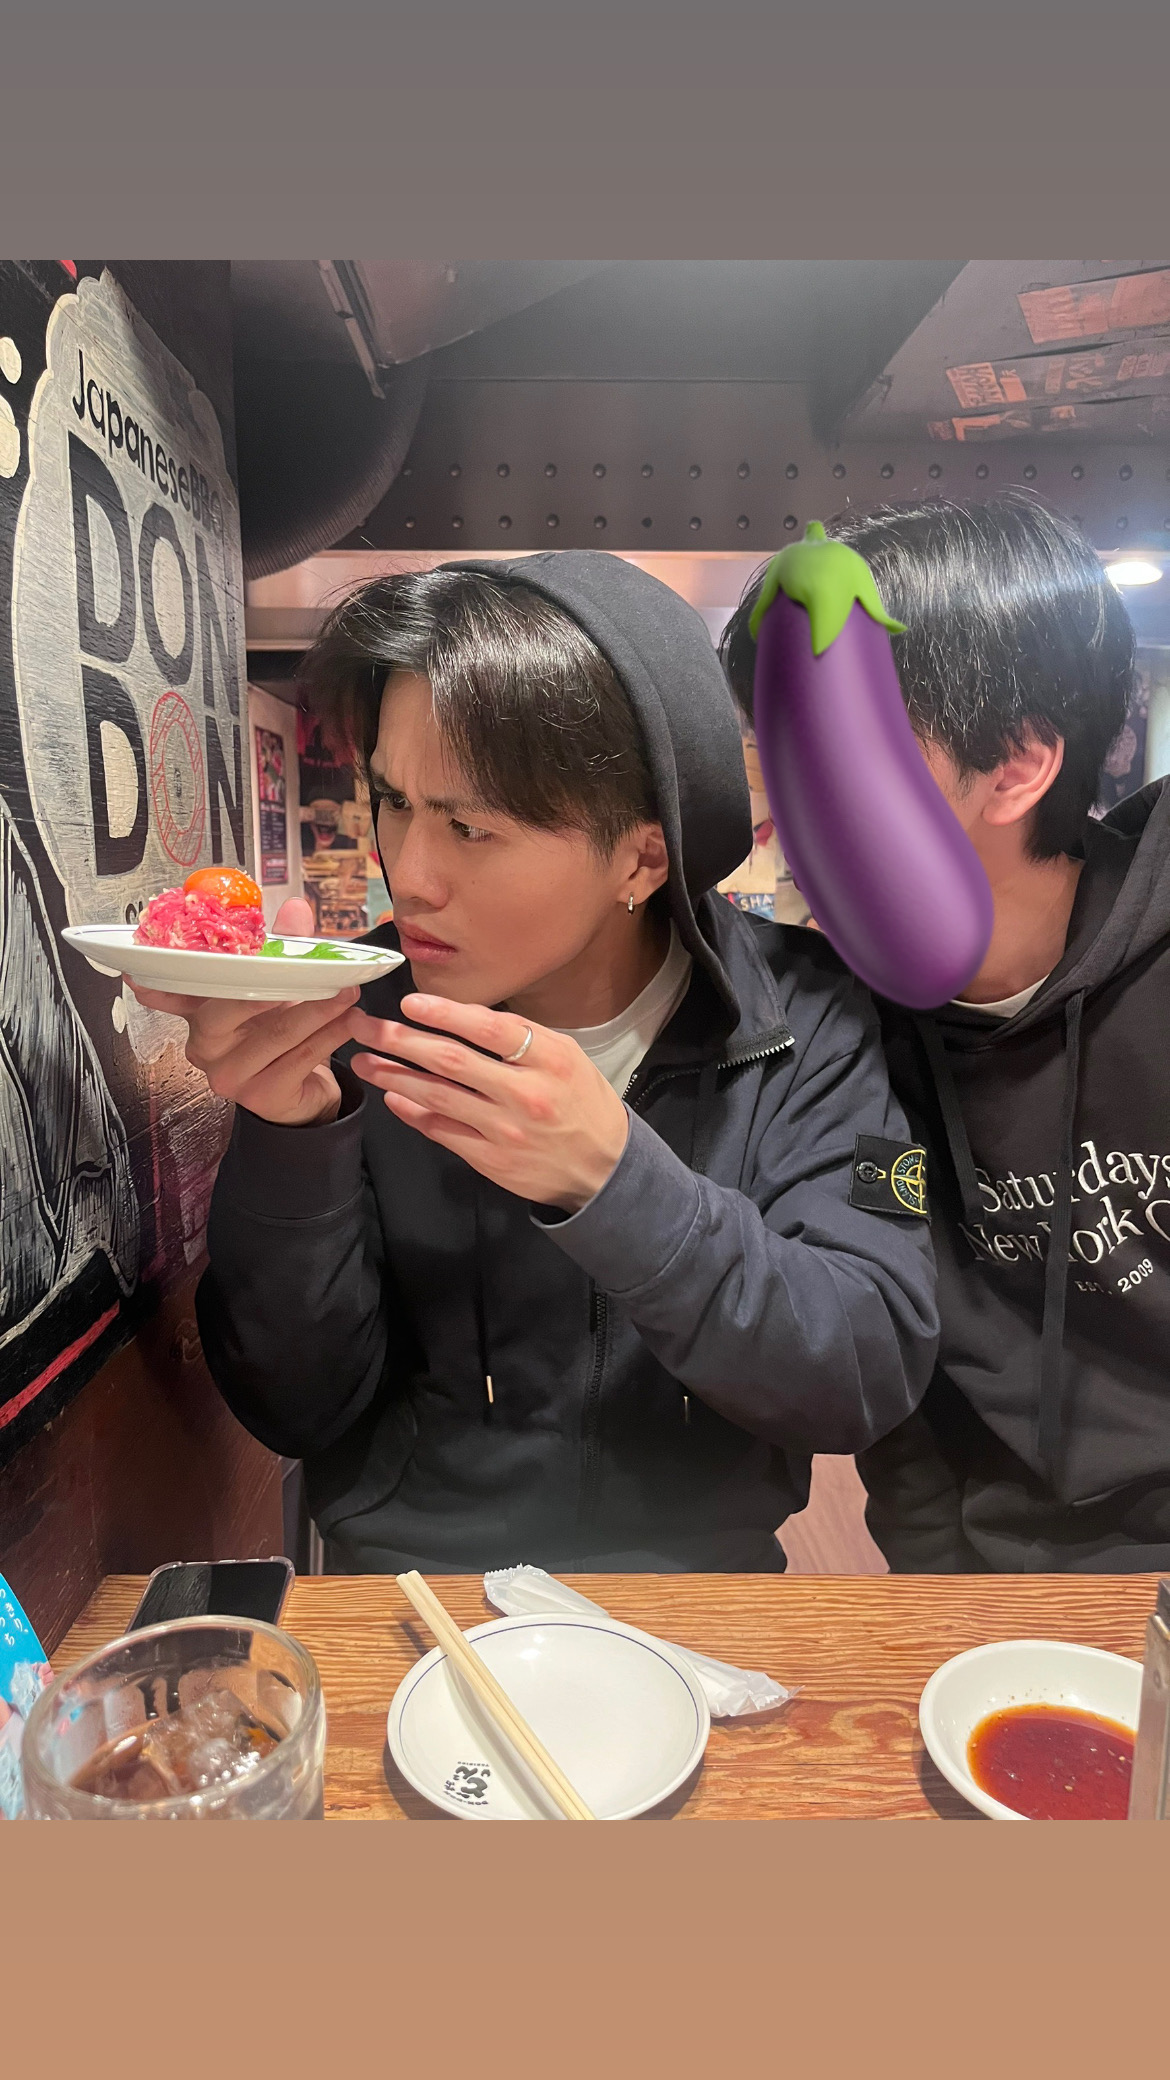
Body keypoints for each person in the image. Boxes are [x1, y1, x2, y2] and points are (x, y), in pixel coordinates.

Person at [135, 554, 937, 1575]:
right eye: (393, 800)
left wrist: (615, 1181)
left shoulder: (799, 1017)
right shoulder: (357, 1022)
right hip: (414, 1595)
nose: (408, 873)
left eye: (470, 826)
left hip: (698, 1601)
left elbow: (866, 1367)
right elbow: (295, 1408)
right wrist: (295, 1141)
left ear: (644, 856)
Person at [721, 493, 1170, 1572]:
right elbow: (897, 1336)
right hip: (992, 1575)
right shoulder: (842, 1028)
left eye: (836, 757)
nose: (788, 824)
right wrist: (940, 1572)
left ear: (1016, 764)